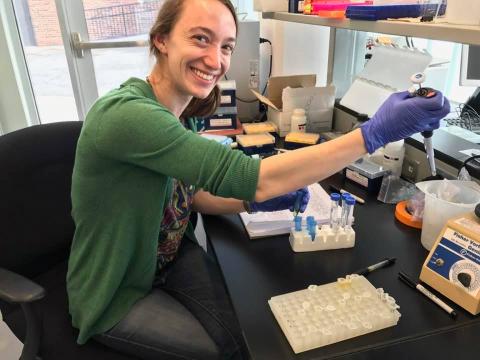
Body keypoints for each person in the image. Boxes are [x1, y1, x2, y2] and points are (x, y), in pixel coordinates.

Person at [66, 0, 450, 359]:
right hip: (117, 292)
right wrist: (372, 134)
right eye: (201, 38)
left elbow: (193, 196)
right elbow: (250, 176)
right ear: (161, 40)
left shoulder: (183, 109)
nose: (215, 59)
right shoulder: (126, 115)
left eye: (227, 46)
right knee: (238, 347)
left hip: (169, 257)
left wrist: (250, 203)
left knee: (250, 327)